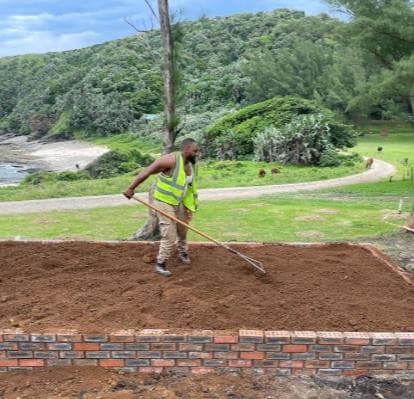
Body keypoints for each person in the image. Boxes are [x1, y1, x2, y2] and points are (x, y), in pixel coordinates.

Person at [123, 138, 200, 277]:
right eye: (195, 151)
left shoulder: (191, 164)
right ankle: (161, 263)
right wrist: (131, 188)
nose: (197, 154)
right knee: (169, 234)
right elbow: (147, 171)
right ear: (186, 149)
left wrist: (189, 206)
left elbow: (189, 187)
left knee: (183, 229)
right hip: (163, 201)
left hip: (179, 201)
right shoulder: (169, 160)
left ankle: (183, 252)